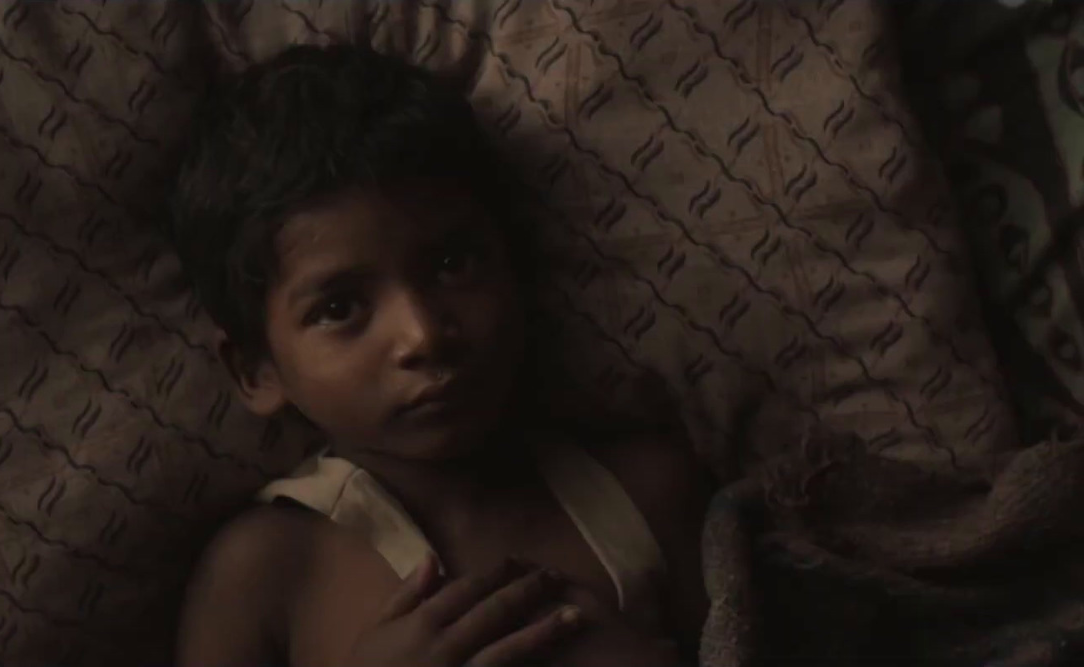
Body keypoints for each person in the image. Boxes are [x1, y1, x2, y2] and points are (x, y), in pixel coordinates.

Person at [166, 43, 713, 667]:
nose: (423, 335)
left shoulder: (651, 496)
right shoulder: (265, 573)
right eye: (340, 309)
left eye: (453, 264)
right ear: (255, 369)